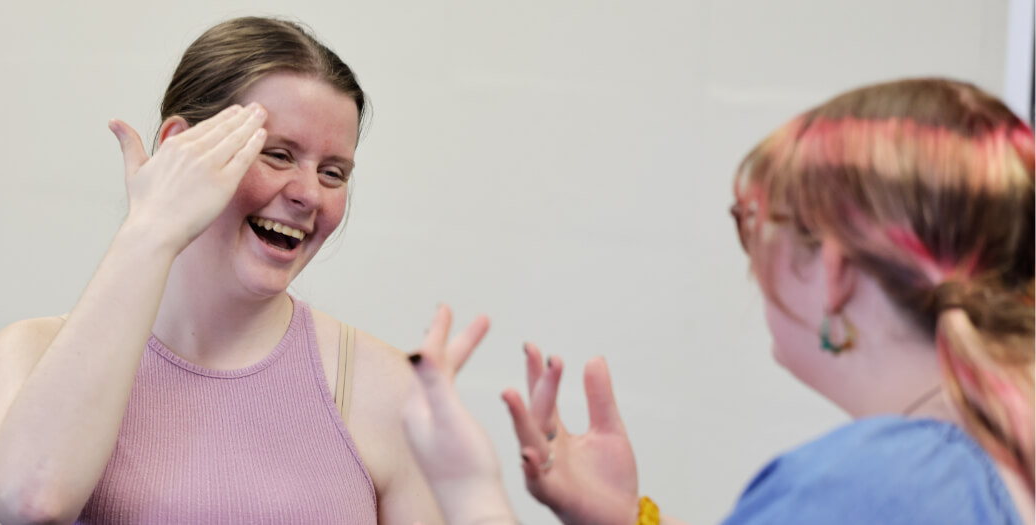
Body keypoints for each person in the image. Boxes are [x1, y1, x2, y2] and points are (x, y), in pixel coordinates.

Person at [403, 78, 1035, 525]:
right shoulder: (990, 453)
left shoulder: (884, 482)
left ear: (836, 268)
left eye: (755, 225)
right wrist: (631, 519)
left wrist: (469, 490)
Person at [0, 16, 445, 525]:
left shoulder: (390, 387)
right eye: (278, 155)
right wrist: (150, 228)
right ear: (181, 148)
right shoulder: (26, 355)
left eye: (334, 172)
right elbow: (34, 501)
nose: (309, 194)